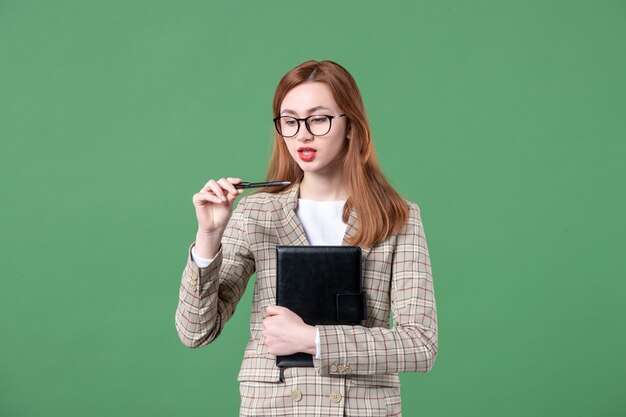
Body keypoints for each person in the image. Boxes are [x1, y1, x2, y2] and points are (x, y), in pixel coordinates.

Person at [175, 60, 438, 416]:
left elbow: (420, 345)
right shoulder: (258, 213)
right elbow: (195, 333)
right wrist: (208, 236)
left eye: (318, 119)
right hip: (274, 406)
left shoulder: (397, 217)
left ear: (350, 125)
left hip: (360, 407)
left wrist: (311, 340)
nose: (302, 134)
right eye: (290, 121)